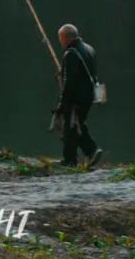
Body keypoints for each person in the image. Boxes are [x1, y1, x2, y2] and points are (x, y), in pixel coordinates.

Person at [53, 23, 102, 168]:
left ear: (65, 38)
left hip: (77, 97)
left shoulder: (71, 53)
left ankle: (74, 159)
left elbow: (70, 82)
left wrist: (63, 102)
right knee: (76, 125)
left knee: (70, 126)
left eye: (60, 38)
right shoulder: (89, 48)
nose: (60, 42)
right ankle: (81, 155)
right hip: (90, 95)